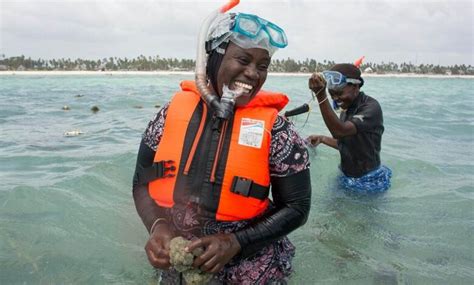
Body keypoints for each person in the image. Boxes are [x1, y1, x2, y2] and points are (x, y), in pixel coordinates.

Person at [132, 10, 311, 284]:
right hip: (179, 254)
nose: (252, 73)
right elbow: (141, 182)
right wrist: (157, 226)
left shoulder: (277, 129)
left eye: (262, 66)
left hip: (250, 258)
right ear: (214, 58)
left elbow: (298, 207)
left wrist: (237, 242)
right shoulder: (170, 115)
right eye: (243, 59)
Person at [307, 63, 391, 192]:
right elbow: (347, 143)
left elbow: (340, 131)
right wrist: (322, 138)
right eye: (332, 94)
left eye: (339, 93)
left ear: (356, 86)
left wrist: (321, 96)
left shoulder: (371, 108)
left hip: (370, 180)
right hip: (346, 176)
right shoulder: (346, 109)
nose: (335, 99)